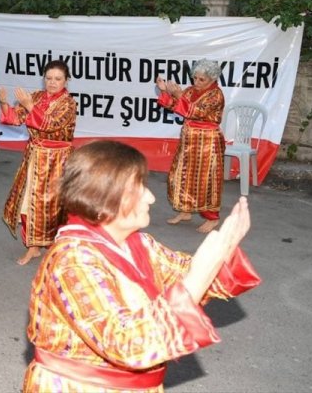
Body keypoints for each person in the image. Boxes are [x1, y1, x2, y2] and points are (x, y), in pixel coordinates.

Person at [22, 140, 260, 392]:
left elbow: (186, 273)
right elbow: (127, 343)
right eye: (139, 188)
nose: (151, 197)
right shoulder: (72, 261)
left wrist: (224, 250)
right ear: (104, 199)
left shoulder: (137, 244)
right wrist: (202, 272)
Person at [0, 60, 78, 265]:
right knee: (27, 202)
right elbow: (15, 119)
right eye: (49, 78)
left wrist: (29, 105)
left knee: (53, 207)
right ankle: (32, 247)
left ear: (66, 80)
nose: (52, 83)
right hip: (34, 156)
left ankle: (55, 247)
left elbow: (50, 125)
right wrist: (3, 103)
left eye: (57, 79)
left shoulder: (68, 103)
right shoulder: (36, 96)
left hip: (56, 162)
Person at [156, 59, 226, 234]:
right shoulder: (191, 90)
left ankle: (212, 218)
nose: (196, 82)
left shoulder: (216, 95)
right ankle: (185, 210)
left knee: (205, 181)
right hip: (189, 140)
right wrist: (165, 91)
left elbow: (196, 112)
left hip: (207, 142)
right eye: (195, 78)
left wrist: (179, 96)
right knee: (183, 175)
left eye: (201, 79)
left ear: (212, 79)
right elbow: (176, 107)